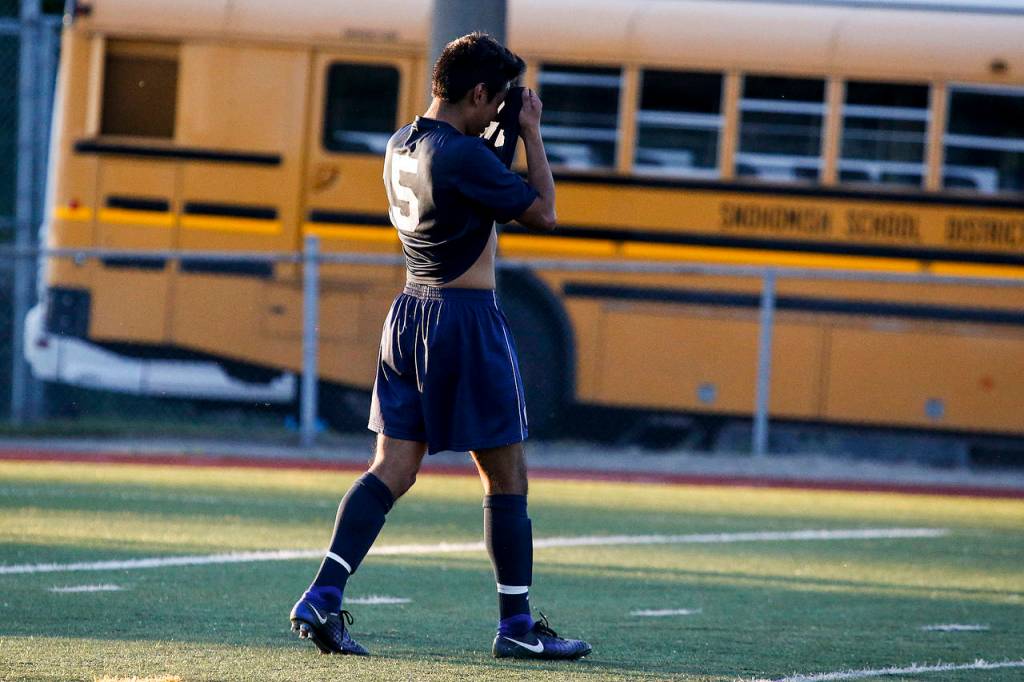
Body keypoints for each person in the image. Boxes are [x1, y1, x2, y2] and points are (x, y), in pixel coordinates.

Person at [288, 33, 592, 661]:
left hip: (408, 314)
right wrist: (531, 132)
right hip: (466, 319)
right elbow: (544, 213)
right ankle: (516, 625)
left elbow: (470, 169)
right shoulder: (462, 156)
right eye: (498, 99)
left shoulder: (403, 142)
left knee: (392, 469)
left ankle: (322, 592)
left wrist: (498, 126)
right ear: (478, 93)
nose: (503, 109)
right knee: (506, 474)